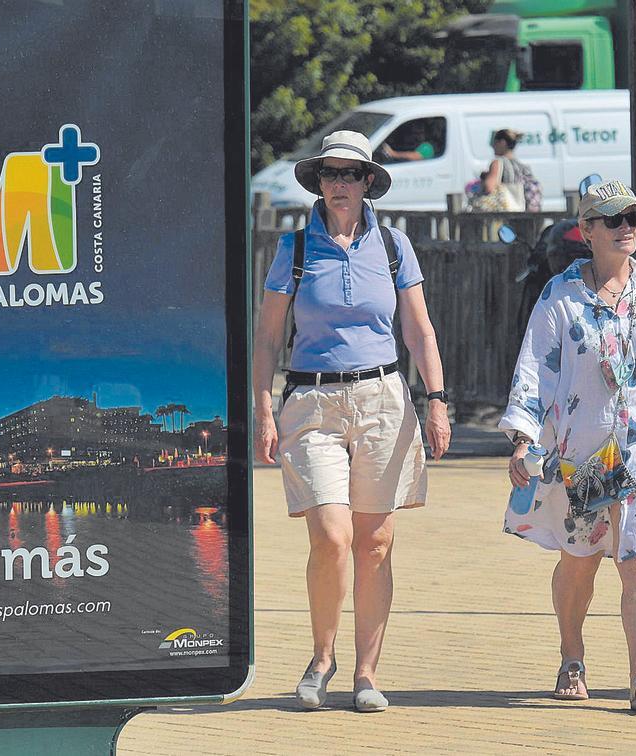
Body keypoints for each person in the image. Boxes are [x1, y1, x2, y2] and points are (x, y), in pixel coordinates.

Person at [253, 130, 451, 713]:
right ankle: (322, 657)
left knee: (376, 540)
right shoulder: (292, 250)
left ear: (368, 182)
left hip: (384, 399)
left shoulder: (393, 246)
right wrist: (264, 409)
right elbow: (267, 338)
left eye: (350, 173)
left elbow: (418, 329)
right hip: (311, 403)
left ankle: (367, 673)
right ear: (319, 181)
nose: (339, 184)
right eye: (330, 173)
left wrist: (435, 399)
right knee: (331, 536)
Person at [500, 180, 636, 712]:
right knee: (580, 561)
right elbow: (533, 371)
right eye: (612, 220)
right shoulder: (560, 295)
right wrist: (522, 439)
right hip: (584, 452)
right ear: (587, 230)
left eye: (633, 217)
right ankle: (572, 655)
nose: (626, 228)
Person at [484, 129, 530, 212]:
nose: (492, 146)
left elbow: (489, 187)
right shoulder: (522, 166)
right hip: (522, 211)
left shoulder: (497, 163)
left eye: (494, 143)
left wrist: (484, 180)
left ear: (502, 143)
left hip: (504, 213)